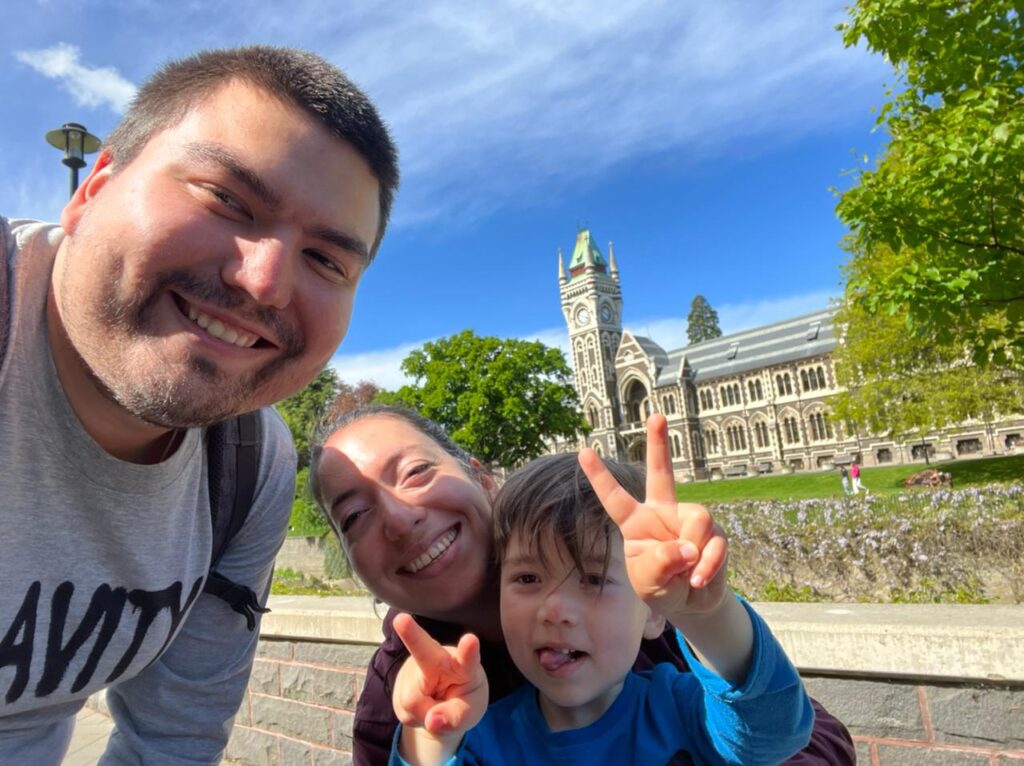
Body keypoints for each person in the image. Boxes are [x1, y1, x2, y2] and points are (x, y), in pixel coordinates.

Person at [0, 46, 398, 763]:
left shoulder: (250, 463)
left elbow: (174, 740)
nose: (266, 282)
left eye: (326, 260)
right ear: (93, 188)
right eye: (227, 199)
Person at [310, 404, 857, 765]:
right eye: (354, 515)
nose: (399, 518)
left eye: (414, 473)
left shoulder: (673, 696)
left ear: (482, 479)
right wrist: (431, 733)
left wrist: (705, 612)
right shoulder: (435, 711)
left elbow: (784, 731)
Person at [388, 448, 814, 765]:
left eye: (593, 579)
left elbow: (774, 730)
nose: (554, 609)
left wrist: (704, 613)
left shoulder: (683, 711)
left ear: (650, 612)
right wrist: (430, 733)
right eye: (527, 578)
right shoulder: (485, 741)